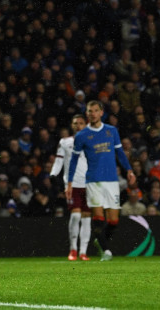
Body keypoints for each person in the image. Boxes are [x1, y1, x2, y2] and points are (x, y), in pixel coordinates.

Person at [66, 100, 136, 262]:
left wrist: (129, 170)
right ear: (87, 113)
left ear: (101, 113)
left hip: (112, 180)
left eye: (95, 111)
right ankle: (106, 251)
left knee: (114, 220)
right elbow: (74, 161)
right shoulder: (82, 135)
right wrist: (70, 182)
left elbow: (120, 153)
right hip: (93, 181)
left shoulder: (112, 131)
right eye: (89, 111)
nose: (92, 114)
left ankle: (100, 240)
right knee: (98, 217)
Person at [50, 114, 91, 261]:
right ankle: (73, 249)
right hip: (72, 184)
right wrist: (53, 174)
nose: (78, 125)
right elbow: (59, 161)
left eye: (81, 123)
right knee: (75, 215)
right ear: (72, 126)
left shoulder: (91, 142)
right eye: (75, 123)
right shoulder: (65, 142)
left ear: (85, 125)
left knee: (87, 218)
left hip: (89, 184)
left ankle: (83, 252)